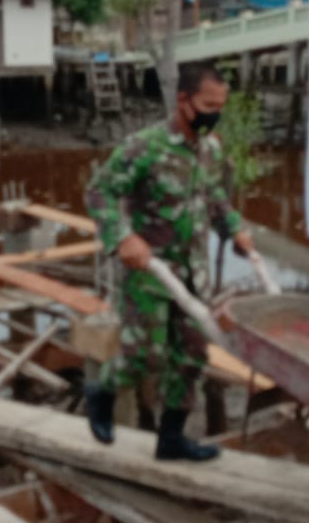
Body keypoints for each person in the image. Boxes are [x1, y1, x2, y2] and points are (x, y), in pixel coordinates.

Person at [84, 63, 255, 461]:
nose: (215, 113)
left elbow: (213, 197)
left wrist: (235, 229)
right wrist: (122, 236)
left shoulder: (210, 149)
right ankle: (102, 390)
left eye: (220, 106)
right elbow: (99, 192)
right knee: (144, 354)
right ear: (183, 101)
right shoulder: (145, 147)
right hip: (150, 272)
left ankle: (171, 439)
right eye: (207, 105)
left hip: (194, 274)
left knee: (192, 356)